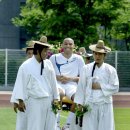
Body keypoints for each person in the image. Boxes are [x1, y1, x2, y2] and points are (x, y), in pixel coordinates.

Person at [10, 36, 60, 130]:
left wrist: (56, 98)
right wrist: (19, 101)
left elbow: (53, 82)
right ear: (37, 51)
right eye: (45, 51)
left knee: (49, 127)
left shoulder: (48, 64)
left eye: (47, 51)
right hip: (34, 102)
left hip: (48, 101)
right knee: (34, 127)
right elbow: (20, 83)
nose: (47, 53)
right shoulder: (25, 66)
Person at [74, 40, 119, 130]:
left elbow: (115, 87)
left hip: (105, 104)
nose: (97, 56)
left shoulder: (110, 69)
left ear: (104, 55)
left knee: (106, 127)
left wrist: (100, 86)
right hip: (90, 104)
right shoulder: (86, 68)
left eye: (100, 54)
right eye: (96, 54)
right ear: (93, 54)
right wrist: (79, 104)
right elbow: (81, 87)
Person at [49, 38, 85, 130]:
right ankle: (56, 124)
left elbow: (83, 78)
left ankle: (67, 125)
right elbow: (49, 74)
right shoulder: (54, 57)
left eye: (70, 44)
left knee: (79, 98)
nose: (68, 46)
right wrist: (57, 77)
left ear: (73, 46)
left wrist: (69, 78)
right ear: (62, 45)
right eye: (66, 44)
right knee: (59, 94)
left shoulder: (79, 59)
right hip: (57, 84)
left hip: (72, 85)